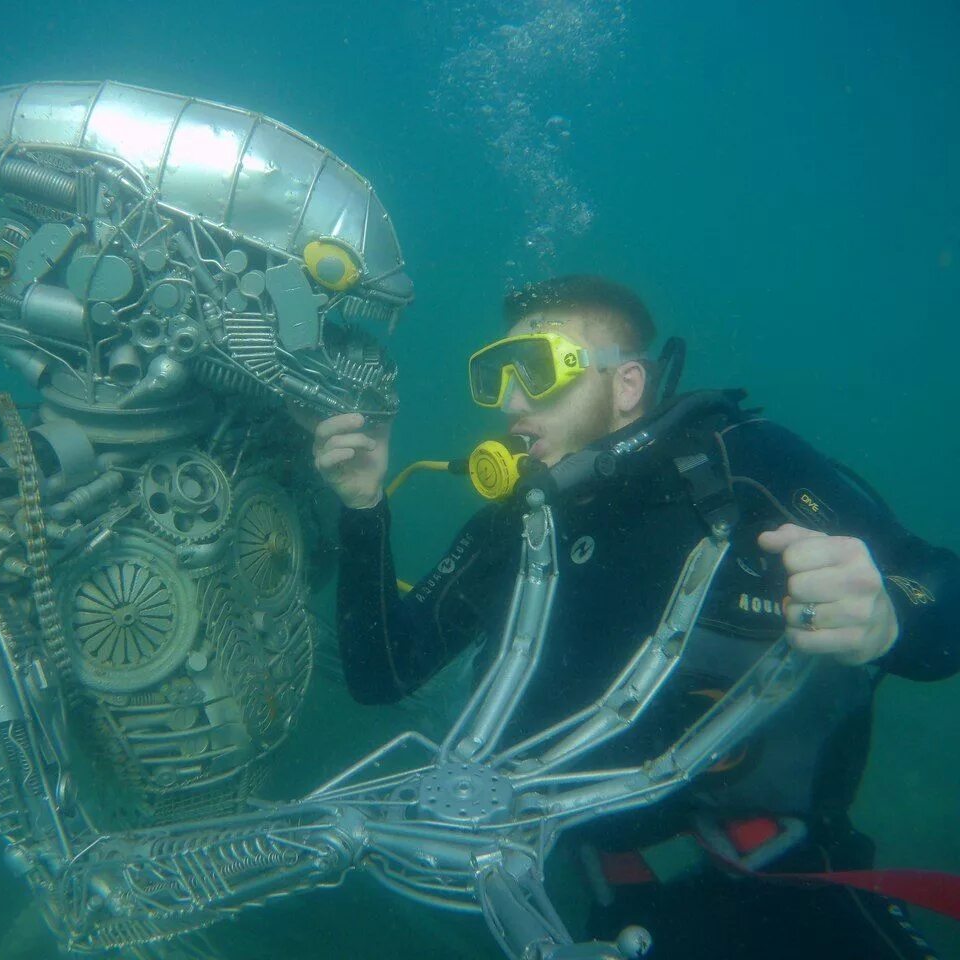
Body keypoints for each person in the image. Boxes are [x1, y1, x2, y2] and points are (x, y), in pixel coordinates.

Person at [308, 275, 960, 959]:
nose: (511, 402)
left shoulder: (742, 469)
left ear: (626, 385)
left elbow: (938, 591)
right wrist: (362, 508)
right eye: (496, 376)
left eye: (534, 370)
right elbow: (383, 672)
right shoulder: (518, 522)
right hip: (616, 893)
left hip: (791, 879)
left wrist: (891, 617)